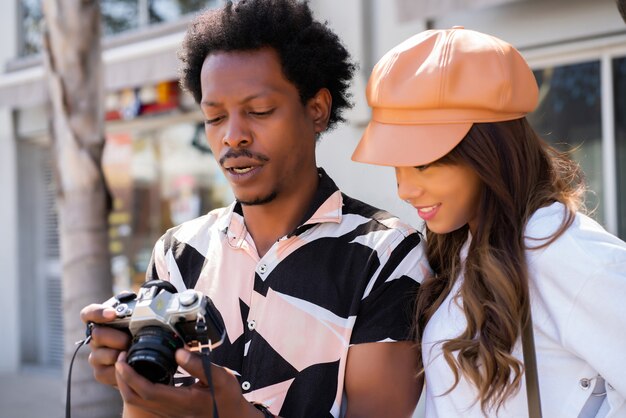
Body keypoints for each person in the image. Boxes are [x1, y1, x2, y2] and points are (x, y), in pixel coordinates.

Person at [80, 1, 429, 417]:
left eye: (259, 111)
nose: (233, 137)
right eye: (213, 117)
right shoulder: (178, 252)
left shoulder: (387, 255)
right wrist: (132, 380)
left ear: (317, 109)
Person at [351, 27, 626, 417]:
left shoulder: (558, 250)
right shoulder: (465, 251)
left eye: (423, 163)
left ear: (487, 151)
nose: (404, 189)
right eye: (397, 163)